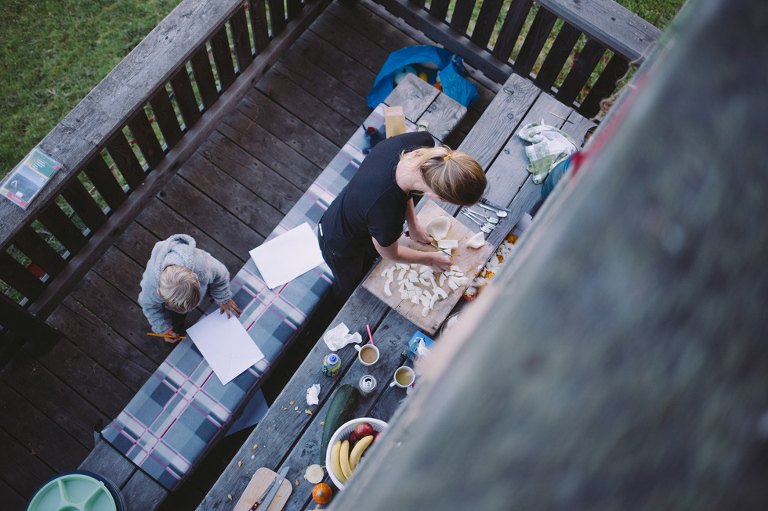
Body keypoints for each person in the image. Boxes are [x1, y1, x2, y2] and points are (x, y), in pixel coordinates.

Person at [318, 131, 486, 302]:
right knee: (348, 283)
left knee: (373, 249)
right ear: (437, 197)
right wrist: (430, 259)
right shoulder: (387, 214)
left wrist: (413, 225)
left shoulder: (421, 143)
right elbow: (391, 254)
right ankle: (340, 302)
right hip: (339, 242)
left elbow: (405, 188)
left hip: (358, 208)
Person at [138, 234, 240, 343]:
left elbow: (221, 274)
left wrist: (223, 298)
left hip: (206, 286)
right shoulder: (151, 288)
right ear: (159, 292)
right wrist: (163, 329)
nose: (195, 307)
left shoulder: (203, 265)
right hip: (172, 311)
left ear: (196, 276)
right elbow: (149, 307)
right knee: (176, 321)